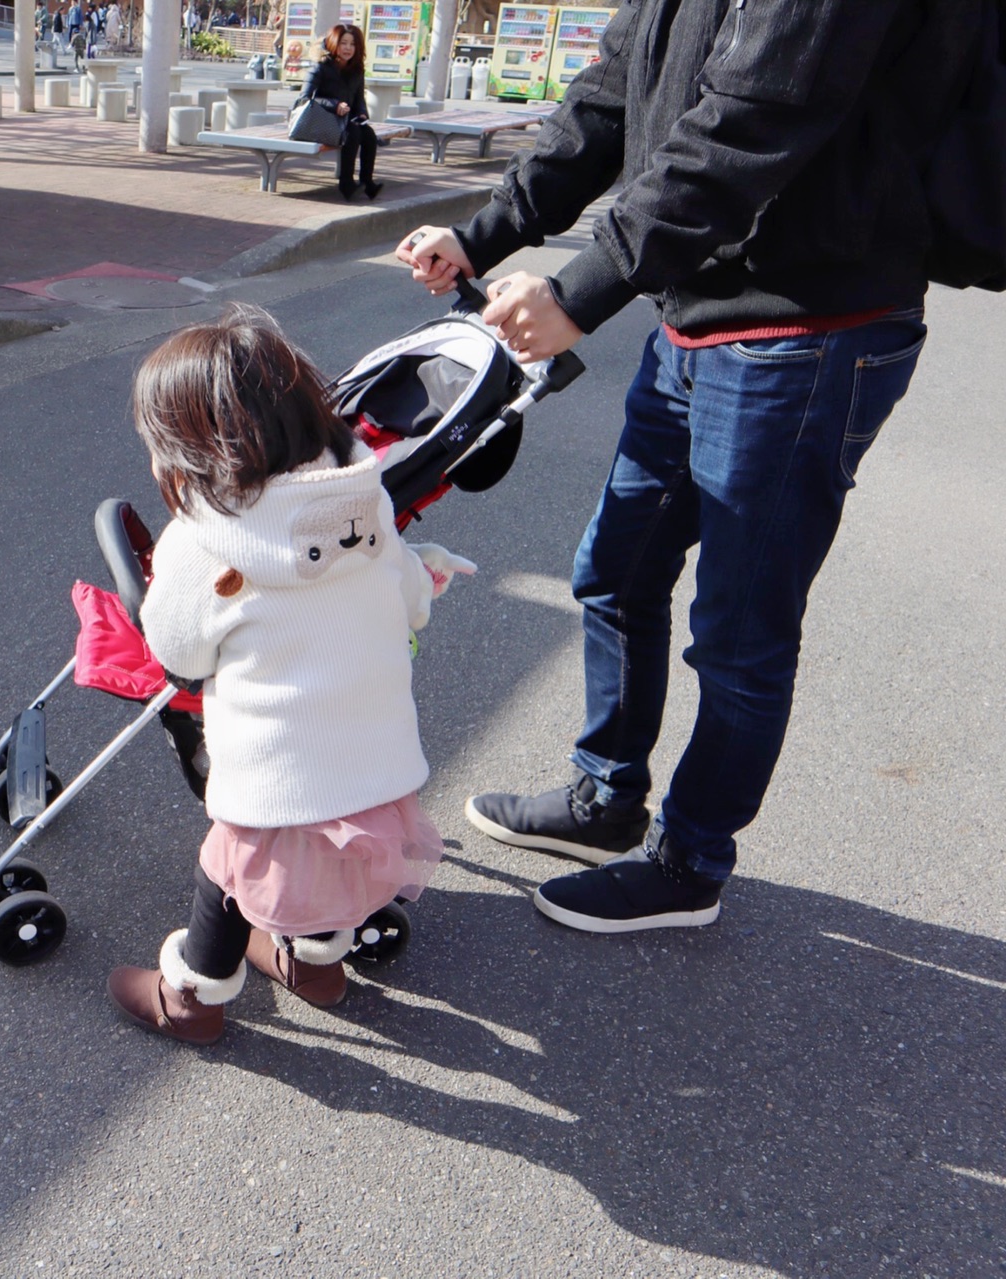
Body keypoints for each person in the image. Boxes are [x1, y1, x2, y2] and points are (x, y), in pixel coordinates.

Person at [395, 0, 975, 934]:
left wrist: (581, 289)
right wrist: (487, 232)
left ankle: (691, 859)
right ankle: (606, 797)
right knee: (616, 571)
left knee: (741, 629)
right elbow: (610, 97)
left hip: (810, 327)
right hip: (696, 316)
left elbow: (752, 121)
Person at [105, 306, 476, 1045]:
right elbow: (410, 602)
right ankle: (317, 965)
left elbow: (180, 653)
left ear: (191, 457)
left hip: (273, 787)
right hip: (380, 774)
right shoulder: (364, 504)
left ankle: (192, 997)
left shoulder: (202, 543)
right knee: (337, 859)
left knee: (230, 872)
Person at [298, 23, 380, 201]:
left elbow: (359, 99)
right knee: (353, 133)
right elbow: (304, 98)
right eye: (344, 43)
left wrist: (363, 113)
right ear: (334, 43)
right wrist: (335, 106)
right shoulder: (320, 67)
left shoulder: (357, 70)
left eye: (352, 44)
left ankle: (367, 182)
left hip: (344, 122)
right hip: (320, 122)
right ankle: (346, 184)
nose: (348, 48)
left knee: (369, 134)